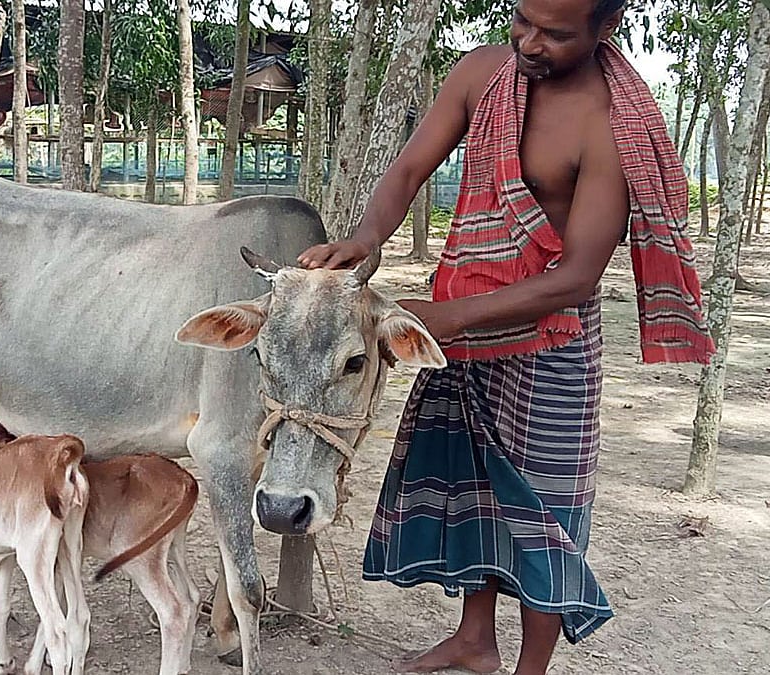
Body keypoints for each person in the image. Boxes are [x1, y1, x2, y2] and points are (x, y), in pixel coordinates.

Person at [298, 1, 714, 673]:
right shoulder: (481, 74)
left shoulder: (613, 124)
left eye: (555, 33)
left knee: (544, 508)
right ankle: (475, 637)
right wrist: (366, 239)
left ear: (604, 29)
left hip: (551, 345)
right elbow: (407, 170)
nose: (530, 42)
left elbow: (577, 277)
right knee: (476, 486)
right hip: (469, 334)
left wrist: (448, 317)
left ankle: (532, 666)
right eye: (523, 20)